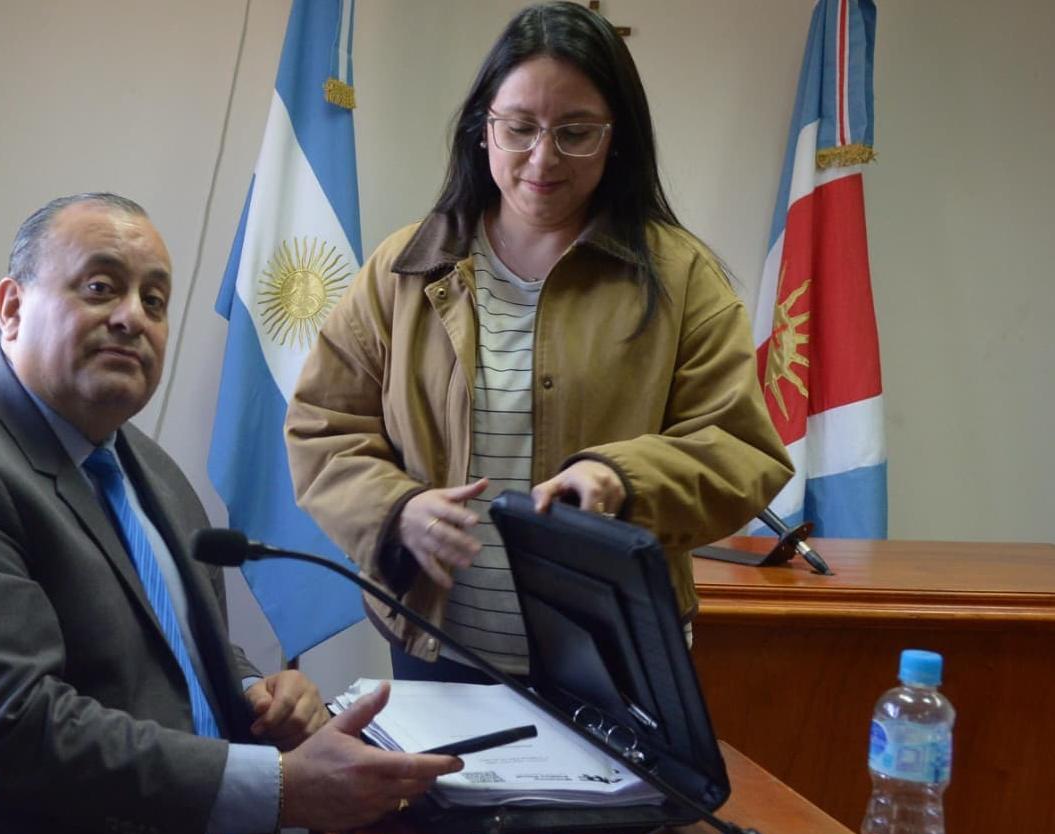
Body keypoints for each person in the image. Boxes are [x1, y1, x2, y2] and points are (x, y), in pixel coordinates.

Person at [0, 193, 460, 834]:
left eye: (155, 301)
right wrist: (281, 787)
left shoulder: (145, 465)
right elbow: (9, 729)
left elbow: (167, 641)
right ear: (11, 308)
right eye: (100, 288)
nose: (132, 317)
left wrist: (253, 690)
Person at [285, 2, 793, 683]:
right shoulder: (406, 268)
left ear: (616, 138)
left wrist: (621, 481)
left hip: (610, 658)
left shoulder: (680, 278)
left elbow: (740, 452)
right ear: (482, 129)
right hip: (438, 645)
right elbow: (322, 426)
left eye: (575, 132)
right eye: (519, 128)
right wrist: (395, 509)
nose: (543, 158)